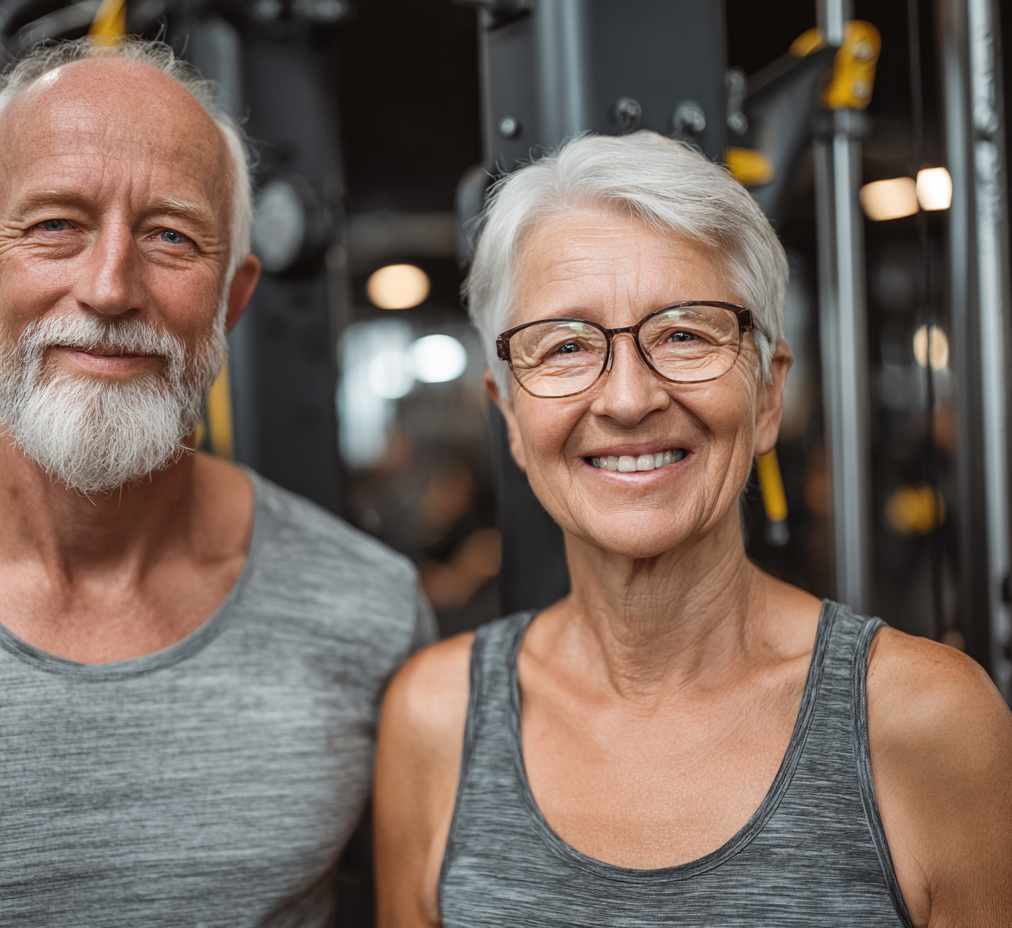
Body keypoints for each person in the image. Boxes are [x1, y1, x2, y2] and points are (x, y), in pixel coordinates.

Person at [0, 38, 433, 927]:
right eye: (56, 225)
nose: (110, 286)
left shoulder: (371, 613)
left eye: (170, 235)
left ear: (233, 299)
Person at [374, 132, 1012, 927]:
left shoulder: (923, 720)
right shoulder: (436, 717)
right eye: (567, 347)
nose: (629, 399)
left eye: (684, 333)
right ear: (508, 413)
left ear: (769, 395)